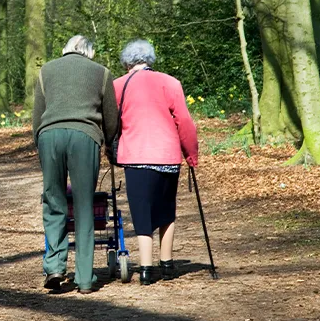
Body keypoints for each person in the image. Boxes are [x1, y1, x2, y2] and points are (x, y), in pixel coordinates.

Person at [33, 35, 119, 294]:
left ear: (66, 50)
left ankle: (55, 267)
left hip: (50, 135)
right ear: (89, 52)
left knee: (53, 200)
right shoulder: (102, 73)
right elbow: (111, 117)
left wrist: (41, 141)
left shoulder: (45, 71)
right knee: (83, 205)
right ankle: (83, 279)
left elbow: (38, 116)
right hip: (85, 136)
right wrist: (108, 142)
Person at [113, 39, 198, 285]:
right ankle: (168, 264)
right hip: (167, 155)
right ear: (150, 60)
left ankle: (147, 269)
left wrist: (111, 148)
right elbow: (185, 121)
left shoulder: (118, 85)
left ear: (127, 62)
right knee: (166, 209)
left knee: (142, 211)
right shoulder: (170, 82)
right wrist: (191, 155)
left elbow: (112, 123)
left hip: (136, 156)